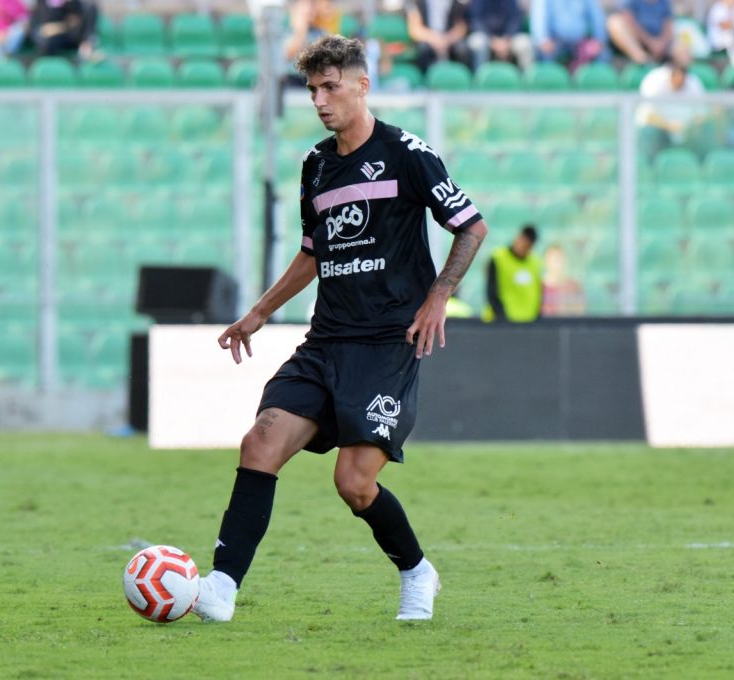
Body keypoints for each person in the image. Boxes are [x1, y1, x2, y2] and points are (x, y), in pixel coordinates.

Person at [193, 34, 489, 623]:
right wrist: (257, 312)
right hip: (325, 340)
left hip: (386, 346)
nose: (321, 100)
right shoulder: (316, 165)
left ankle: (416, 571)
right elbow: (313, 252)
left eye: (331, 87)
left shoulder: (407, 152)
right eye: (312, 90)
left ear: (362, 84)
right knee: (259, 444)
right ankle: (221, 587)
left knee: (353, 483)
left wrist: (438, 297)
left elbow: (472, 227)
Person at [636, 43, 708, 159]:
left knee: (705, 131)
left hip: (688, 133)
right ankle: (649, 168)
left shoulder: (694, 83)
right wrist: (669, 126)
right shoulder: (654, 80)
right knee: (650, 132)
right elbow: (647, 116)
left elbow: (701, 116)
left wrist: (688, 127)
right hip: (660, 131)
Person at [483, 225, 542, 323]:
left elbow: (538, 291)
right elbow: (492, 291)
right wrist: (501, 317)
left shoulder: (535, 262)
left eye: (528, 245)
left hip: (528, 321)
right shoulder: (498, 257)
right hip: (502, 322)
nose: (523, 247)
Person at [528, 0, 608, 66]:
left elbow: (597, 17)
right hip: (554, 43)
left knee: (602, 55)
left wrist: (599, 41)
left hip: (579, 43)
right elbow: (539, 18)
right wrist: (543, 39)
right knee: (545, 59)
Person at [465, 0, 533, 71]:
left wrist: (507, 38)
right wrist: (492, 40)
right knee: (479, 43)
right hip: (486, 37)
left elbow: (515, 19)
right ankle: (479, 78)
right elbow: (476, 20)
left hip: (508, 38)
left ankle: (528, 80)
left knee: (525, 44)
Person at [405, 0, 472, 72]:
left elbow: (461, 27)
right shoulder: (418, 2)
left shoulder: (456, 3)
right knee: (424, 49)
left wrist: (447, 39)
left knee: (462, 49)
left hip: (448, 38)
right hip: (427, 38)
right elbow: (415, 29)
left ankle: (460, 78)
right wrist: (434, 39)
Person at [606, 0, 673, 65]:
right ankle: (641, 58)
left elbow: (668, 24)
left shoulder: (664, 2)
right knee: (614, 22)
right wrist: (650, 42)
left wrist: (661, 44)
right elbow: (629, 20)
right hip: (637, 40)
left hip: (659, 44)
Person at [28, 0, 98, 58]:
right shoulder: (42, 3)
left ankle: (87, 47)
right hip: (50, 40)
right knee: (46, 44)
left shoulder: (75, 4)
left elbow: (76, 22)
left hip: (71, 37)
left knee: (90, 8)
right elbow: (38, 26)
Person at [541, 244, 585, 316]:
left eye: (559, 259)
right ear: (545, 261)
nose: (556, 263)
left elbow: (579, 314)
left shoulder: (574, 287)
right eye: (553, 259)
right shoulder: (537, 287)